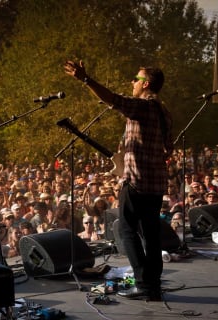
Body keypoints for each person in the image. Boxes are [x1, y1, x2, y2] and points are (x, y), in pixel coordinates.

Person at [64, 60, 172, 301]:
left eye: (136, 78)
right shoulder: (164, 112)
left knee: (126, 230)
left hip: (136, 182)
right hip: (155, 185)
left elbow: (114, 99)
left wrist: (86, 79)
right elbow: (168, 148)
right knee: (151, 235)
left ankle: (144, 284)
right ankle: (153, 286)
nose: (132, 82)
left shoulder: (143, 107)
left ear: (145, 84)